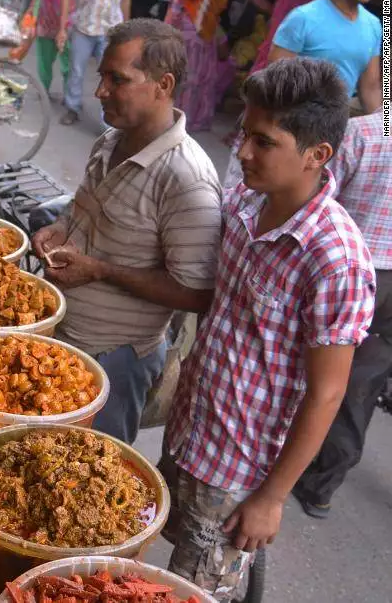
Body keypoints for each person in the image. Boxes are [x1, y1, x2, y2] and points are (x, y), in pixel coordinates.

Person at [163, 58, 375, 599]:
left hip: (238, 472)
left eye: (264, 142)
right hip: (190, 430)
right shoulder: (244, 200)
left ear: (317, 155)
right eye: (244, 134)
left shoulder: (335, 259)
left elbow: (327, 394)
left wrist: (273, 497)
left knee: (194, 592)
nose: (243, 152)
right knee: (165, 571)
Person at [31, 19, 222, 444]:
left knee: (92, 467)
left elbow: (197, 293)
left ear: (163, 85)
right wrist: (59, 229)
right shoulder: (110, 141)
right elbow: (83, 211)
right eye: (102, 76)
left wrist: (99, 270)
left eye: (117, 80)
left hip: (115, 361)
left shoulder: (186, 178)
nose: (100, 91)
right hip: (60, 338)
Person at [292, 111, 392, 518]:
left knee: (315, 371)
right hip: (376, 280)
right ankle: (322, 487)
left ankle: (285, 464)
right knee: (363, 381)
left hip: (349, 269)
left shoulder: (367, 131)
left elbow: (320, 195)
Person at [269, 0, 381, 113]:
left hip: (337, 120)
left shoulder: (373, 25)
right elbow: (275, 81)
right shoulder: (303, 18)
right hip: (296, 117)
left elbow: (370, 88)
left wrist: (384, 124)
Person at [56, 0, 136, 126]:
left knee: (111, 76)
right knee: (76, 71)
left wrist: (126, 30)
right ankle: (72, 107)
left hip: (111, 31)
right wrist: (62, 29)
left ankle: (108, 119)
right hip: (83, 28)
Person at [164, 0, 232, 132]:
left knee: (183, 79)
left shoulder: (183, 3)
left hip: (188, 35)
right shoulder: (207, 15)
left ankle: (176, 121)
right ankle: (189, 121)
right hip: (199, 36)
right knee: (193, 80)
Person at [29, 0, 73, 96]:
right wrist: (32, 12)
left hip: (68, 23)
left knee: (68, 62)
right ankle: (44, 90)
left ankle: (69, 95)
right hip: (46, 21)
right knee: (45, 61)